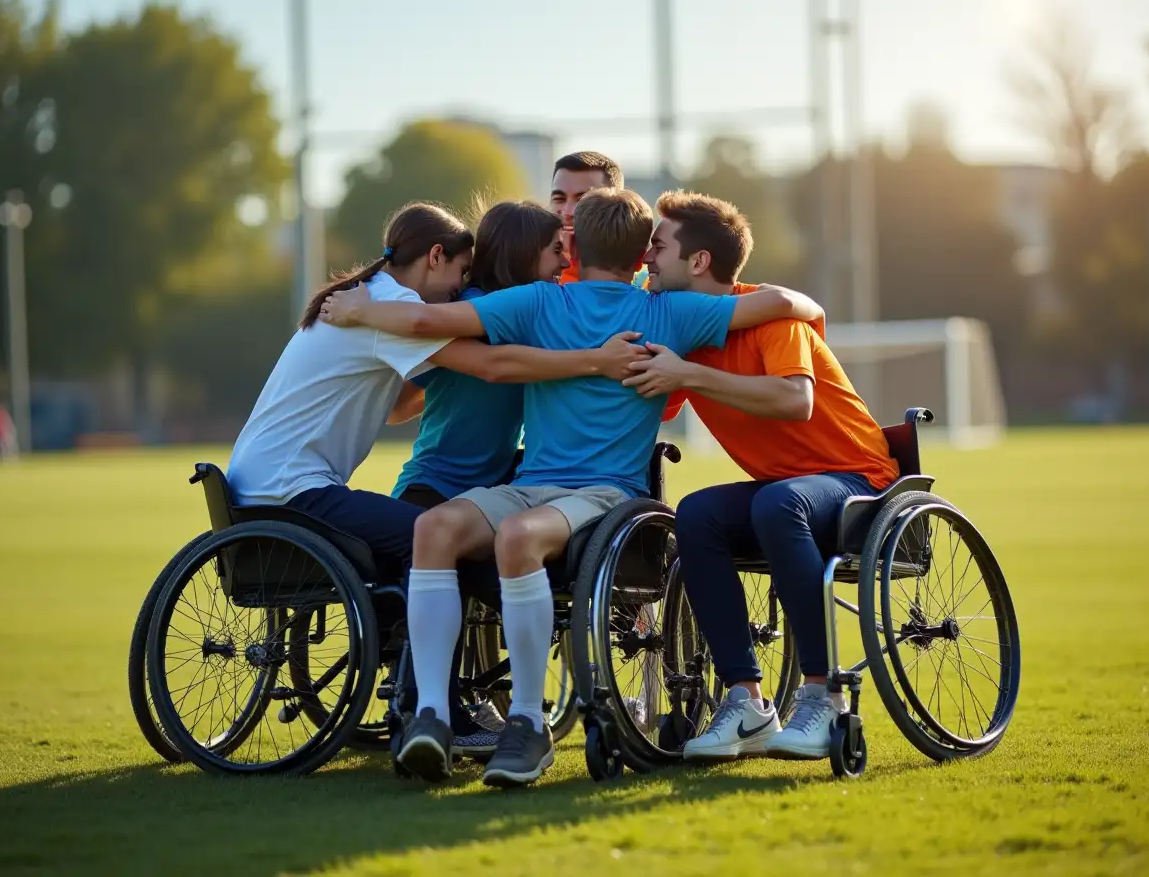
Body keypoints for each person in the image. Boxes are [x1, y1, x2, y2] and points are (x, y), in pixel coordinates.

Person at [318, 187, 824, 787]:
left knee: (503, 535)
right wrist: (809, 306)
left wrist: (358, 311)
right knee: (435, 527)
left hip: (606, 496)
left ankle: (526, 724)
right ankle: (432, 716)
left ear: (575, 244)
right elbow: (772, 303)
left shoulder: (536, 302)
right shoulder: (668, 312)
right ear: (642, 260)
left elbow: (428, 319)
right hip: (539, 486)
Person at [226, 198, 647, 599]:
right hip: (291, 490)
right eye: (460, 271)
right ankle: (415, 675)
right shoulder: (391, 308)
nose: (459, 289)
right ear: (434, 257)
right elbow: (491, 366)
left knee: (438, 533)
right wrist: (595, 361)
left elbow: (404, 404)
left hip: (265, 480)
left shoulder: (376, 297)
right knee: (433, 536)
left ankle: (416, 662)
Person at [626, 190, 899, 763]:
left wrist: (690, 376)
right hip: (785, 495)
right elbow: (647, 405)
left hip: (858, 481)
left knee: (778, 504)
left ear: (699, 261)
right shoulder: (681, 328)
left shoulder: (774, 318)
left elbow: (794, 401)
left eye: (658, 244)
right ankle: (746, 700)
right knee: (696, 513)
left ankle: (822, 697)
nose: (646, 256)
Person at [388, 200, 578, 755]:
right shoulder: (469, 309)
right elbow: (399, 406)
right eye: (555, 250)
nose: (562, 261)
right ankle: (428, 711)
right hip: (434, 483)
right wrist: (439, 365)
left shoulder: (535, 314)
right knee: (443, 568)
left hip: (491, 489)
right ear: (526, 253)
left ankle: (459, 708)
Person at [549, 151, 648, 288]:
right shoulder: (526, 276)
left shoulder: (646, 287)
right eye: (559, 199)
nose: (568, 211)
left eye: (582, 199)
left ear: (616, 201)